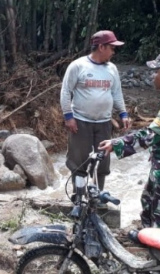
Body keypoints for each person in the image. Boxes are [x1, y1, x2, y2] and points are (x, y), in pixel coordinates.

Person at [99, 54, 160, 230]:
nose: (153, 76)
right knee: (149, 199)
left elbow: (151, 135)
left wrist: (117, 144)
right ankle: (149, 237)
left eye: (157, 72)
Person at [60, 30, 130, 191]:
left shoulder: (112, 69)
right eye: (112, 48)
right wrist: (68, 117)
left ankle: (97, 196)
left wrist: (123, 113)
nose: (113, 52)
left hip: (104, 122)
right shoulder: (78, 66)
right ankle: (78, 197)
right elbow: (65, 91)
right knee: (79, 161)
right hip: (81, 121)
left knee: (102, 161)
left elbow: (116, 93)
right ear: (101, 47)